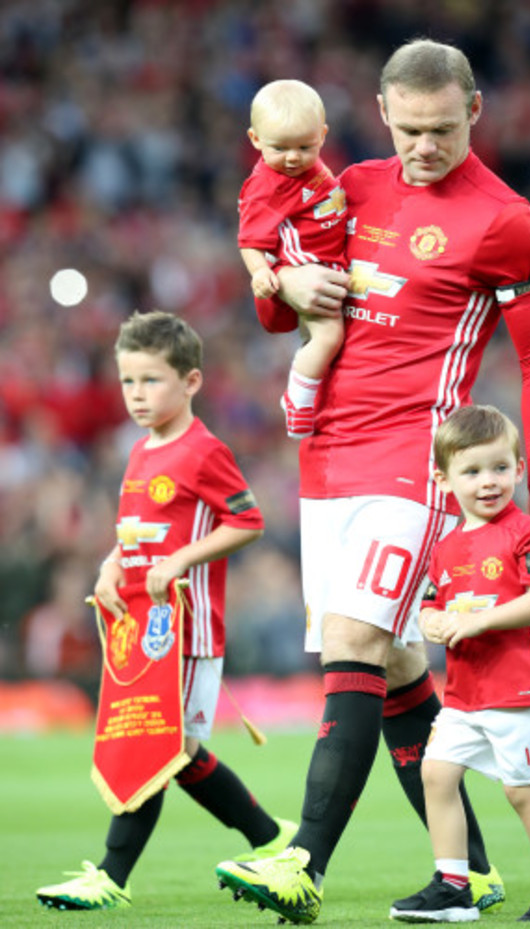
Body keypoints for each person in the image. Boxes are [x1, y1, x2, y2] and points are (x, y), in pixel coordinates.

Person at [216, 38, 530, 925]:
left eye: (442, 129)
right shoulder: (352, 186)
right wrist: (282, 279)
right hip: (326, 458)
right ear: (380, 113)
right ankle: (475, 873)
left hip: (414, 464)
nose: (424, 147)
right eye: (409, 129)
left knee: (353, 642)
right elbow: (274, 316)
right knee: (401, 660)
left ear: (474, 113)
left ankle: (303, 860)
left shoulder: (505, 219)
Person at [36, 311, 296, 911]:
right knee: (176, 753)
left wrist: (181, 560)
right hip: (143, 630)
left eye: (151, 380)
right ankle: (273, 839)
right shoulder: (139, 451)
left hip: (185, 628)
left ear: (192, 382)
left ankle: (110, 877)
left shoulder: (204, 450)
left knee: (156, 744)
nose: (137, 395)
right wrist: (109, 564)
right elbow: (135, 535)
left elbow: (248, 521)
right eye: (128, 381)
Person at [391, 405, 530, 923]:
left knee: (522, 792)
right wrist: (431, 621)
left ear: (520, 469)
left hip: (518, 689)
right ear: (443, 479)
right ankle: (454, 886)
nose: (489, 481)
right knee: (435, 773)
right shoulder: (445, 548)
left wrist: (480, 622)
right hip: (463, 695)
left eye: (501, 468)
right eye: (473, 470)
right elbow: (434, 602)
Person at [238, 79, 346, 439]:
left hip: (329, 264)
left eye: (305, 145)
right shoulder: (267, 185)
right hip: (305, 271)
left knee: (325, 341)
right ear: (255, 140)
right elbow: (250, 240)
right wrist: (260, 272)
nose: (293, 157)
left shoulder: (308, 169)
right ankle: (297, 400)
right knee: (328, 335)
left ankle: (313, 394)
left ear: (323, 134)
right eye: (280, 148)